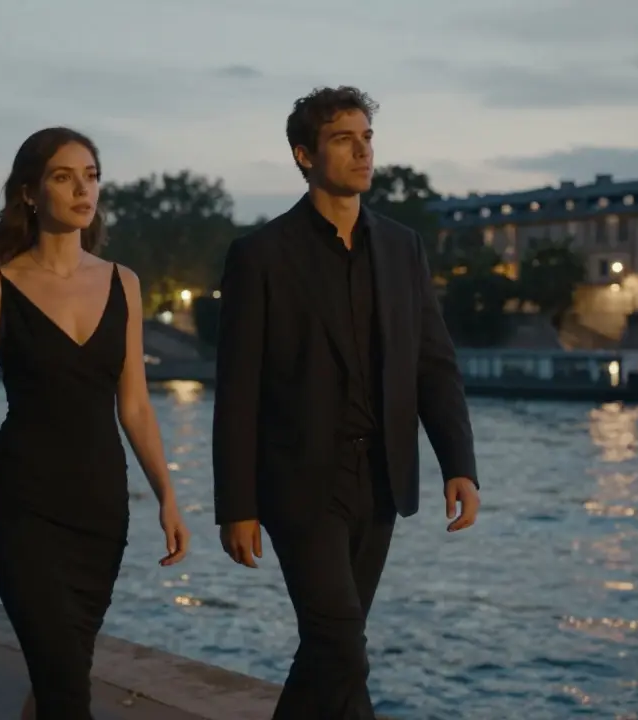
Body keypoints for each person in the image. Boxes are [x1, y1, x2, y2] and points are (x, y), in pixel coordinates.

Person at [211, 86, 481, 718]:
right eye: (343, 138)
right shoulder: (260, 255)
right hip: (300, 483)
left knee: (331, 650)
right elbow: (238, 388)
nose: (362, 150)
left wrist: (459, 463)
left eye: (367, 137)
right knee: (342, 646)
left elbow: (434, 363)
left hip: (382, 479)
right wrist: (237, 505)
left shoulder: (401, 246)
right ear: (305, 155)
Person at [0, 127, 190, 720]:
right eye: (63, 176)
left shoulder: (122, 283)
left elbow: (135, 405)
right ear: (29, 192)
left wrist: (168, 496)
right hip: (21, 509)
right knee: (64, 685)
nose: (84, 189)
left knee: (63, 672)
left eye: (91, 175)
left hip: (100, 510)